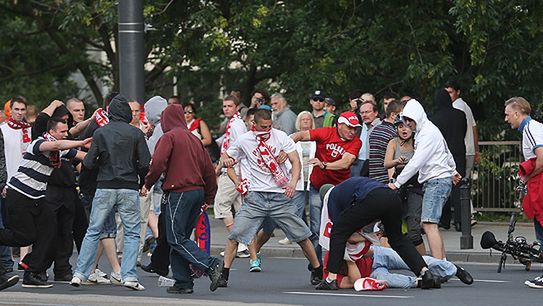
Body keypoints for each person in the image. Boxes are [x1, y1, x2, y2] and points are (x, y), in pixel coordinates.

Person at [218, 109, 323, 287]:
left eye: (269, 126)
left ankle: (317, 271)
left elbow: (295, 161)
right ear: (254, 125)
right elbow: (226, 156)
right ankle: (223, 275)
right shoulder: (245, 140)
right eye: (263, 127)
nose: (267, 130)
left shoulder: (280, 136)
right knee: (235, 236)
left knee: (303, 236)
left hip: (279, 197)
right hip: (255, 197)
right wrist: (235, 176)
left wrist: (292, 183)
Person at [71, 95, 151, 291]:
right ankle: (129, 276)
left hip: (105, 185)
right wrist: (140, 180)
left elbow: (88, 163)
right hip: (129, 186)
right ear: (126, 113)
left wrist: (102, 161)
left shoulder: (101, 133)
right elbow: (145, 162)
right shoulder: (136, 134)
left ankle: (80, 273)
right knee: (132, 232)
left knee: (93, 230)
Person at [0, 117, 89, 289]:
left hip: (38, 198)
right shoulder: (38, 143)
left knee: (51, 232)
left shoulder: (60, 151)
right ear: (52, 132)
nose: (65, 134)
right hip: (19, 195)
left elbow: (83, 156)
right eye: (62, 132)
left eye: (66, 131)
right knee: (25, 236)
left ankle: (33, 272)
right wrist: (79, 142)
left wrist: (103, 152)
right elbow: (56, 146)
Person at [143, 104, 222, 294]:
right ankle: (183, 281)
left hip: (178, 192)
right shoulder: (194, 140)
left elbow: (158, 163)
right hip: (197, 192)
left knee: (175, 238)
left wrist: (147, 183)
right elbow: (209, 170)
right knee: (180, 238)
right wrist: (208, 197)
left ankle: (210, 264)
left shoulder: (168, 137)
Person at [315, 177, 442, 290]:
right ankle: (424, 272)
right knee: (397, 239)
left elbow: (338, 229)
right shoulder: (347, 187)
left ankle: (331, 279)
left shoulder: (331, 197)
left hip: (373, 199)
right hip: (392, 197)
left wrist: (360, 239)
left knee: (338, 233)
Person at [291, 112, 362, 283]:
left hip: (339, 191)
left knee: (340, 228)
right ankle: (316, 268)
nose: (353, 131)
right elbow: (301, 134)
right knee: (316, 228)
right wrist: (285, 146)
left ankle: (341, 267)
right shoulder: (325, 133)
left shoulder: (356, 142)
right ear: (339, 125)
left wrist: (324, 165)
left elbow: (345, 163)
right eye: (350, 127)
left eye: (355, 128)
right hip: (318, 187)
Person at [388, 99, 461, 260]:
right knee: (431, 224)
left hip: (435, 181)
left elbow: (416, 162)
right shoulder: (428, 130)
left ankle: (439, 266)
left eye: (409, 120)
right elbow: (446, 151)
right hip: (439, 179)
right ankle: (443, 263)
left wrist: (397, 183)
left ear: (418, 117)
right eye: (405, 120)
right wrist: (453, 170)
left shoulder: (427, 134)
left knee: (428, 224)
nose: (407, 124)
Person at [500, 97, 543, 289]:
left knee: (541, 229)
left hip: (540, 184)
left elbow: (541, 159)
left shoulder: (530, 129)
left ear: (518, 113)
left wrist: (526, 177)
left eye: (508, 115)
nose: (507, 119)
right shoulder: (534, 128)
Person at [384, 116, 425, 255]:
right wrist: (396, 161)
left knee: (414, 229)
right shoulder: (393, 143)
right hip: (397, 186)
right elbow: (386, 164)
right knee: (389, 226)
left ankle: (426, 263)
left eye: (406, 126)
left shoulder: (417, 142)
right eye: (400, 126)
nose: (403, 129)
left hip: (415, 186)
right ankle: (388, 261)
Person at [214, 95, 249, 258]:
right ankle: (244, 243)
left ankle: (238, 241)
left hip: (233, 170)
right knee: (239, 208)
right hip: (233, 169)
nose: (226, 108)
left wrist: (223, 165)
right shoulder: (234, 123)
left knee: (221, 204)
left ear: (236, 107)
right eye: (224, 106)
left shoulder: (236, 125)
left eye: (229, 106)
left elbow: (239, 147)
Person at [0, 96, 32, 270]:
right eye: (16, 109)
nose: (20, 113)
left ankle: (24, 259)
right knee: (6, 223)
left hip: (25, 183)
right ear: (10, 110)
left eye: (22, 109)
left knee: (24, 222)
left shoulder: (29, 130)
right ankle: (6, 262)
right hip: (7, 182)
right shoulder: (3, 130)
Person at [431, 89, 467, 231]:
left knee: (443, 186)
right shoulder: (460, 115)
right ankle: (460, 222)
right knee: (459, 188)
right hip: (458, 153)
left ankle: (444, 220)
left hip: (442, 156)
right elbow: (463, 132)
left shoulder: (435, 118)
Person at [368, 100, 402, 183]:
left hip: (373, 179)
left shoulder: (374, 130)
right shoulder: (393, 133)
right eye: (402, 115)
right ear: (393, 115)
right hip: (386, 180)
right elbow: (392, 161)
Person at [352, 98, 380, 177]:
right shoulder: (359, 127)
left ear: (376, 113)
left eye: (367, 112)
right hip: (359, 163)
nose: (364, 115)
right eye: (362, 113)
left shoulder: (381, 127)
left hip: (375, 166)